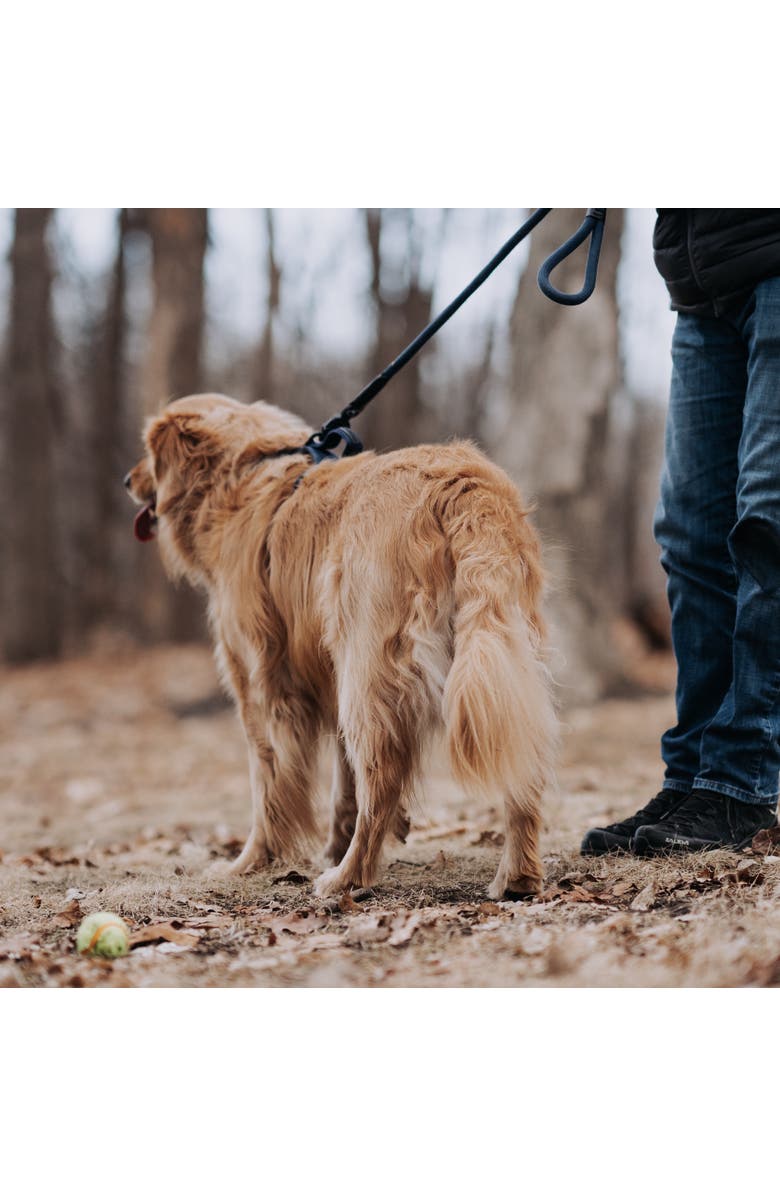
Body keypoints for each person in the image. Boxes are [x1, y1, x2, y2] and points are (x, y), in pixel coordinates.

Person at [582, 209, 780, 856]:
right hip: (698, 287)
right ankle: (695, 775)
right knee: (691, 537)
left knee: (766, 524)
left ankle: (741, 782)